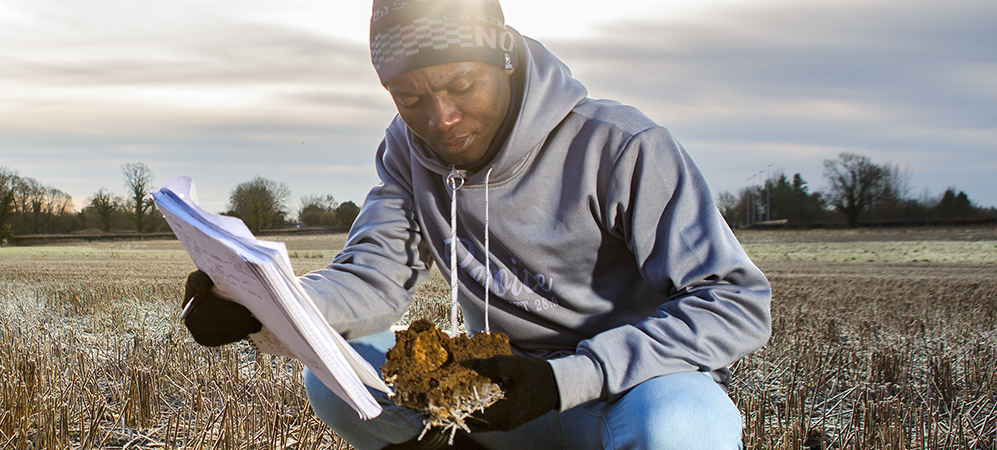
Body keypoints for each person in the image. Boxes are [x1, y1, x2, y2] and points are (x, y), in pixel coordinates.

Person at [179, 0, 772, 449]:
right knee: (339, 375)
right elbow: (372, 280)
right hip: (493, 400)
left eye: (461, 85)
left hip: (620, 397)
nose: (441, 119)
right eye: (409, 98)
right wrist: (264, 303)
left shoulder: (620, 146)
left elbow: (736, 303)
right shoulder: (407, 151)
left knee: (684, 423)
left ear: (506, 61)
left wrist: (567, 378)